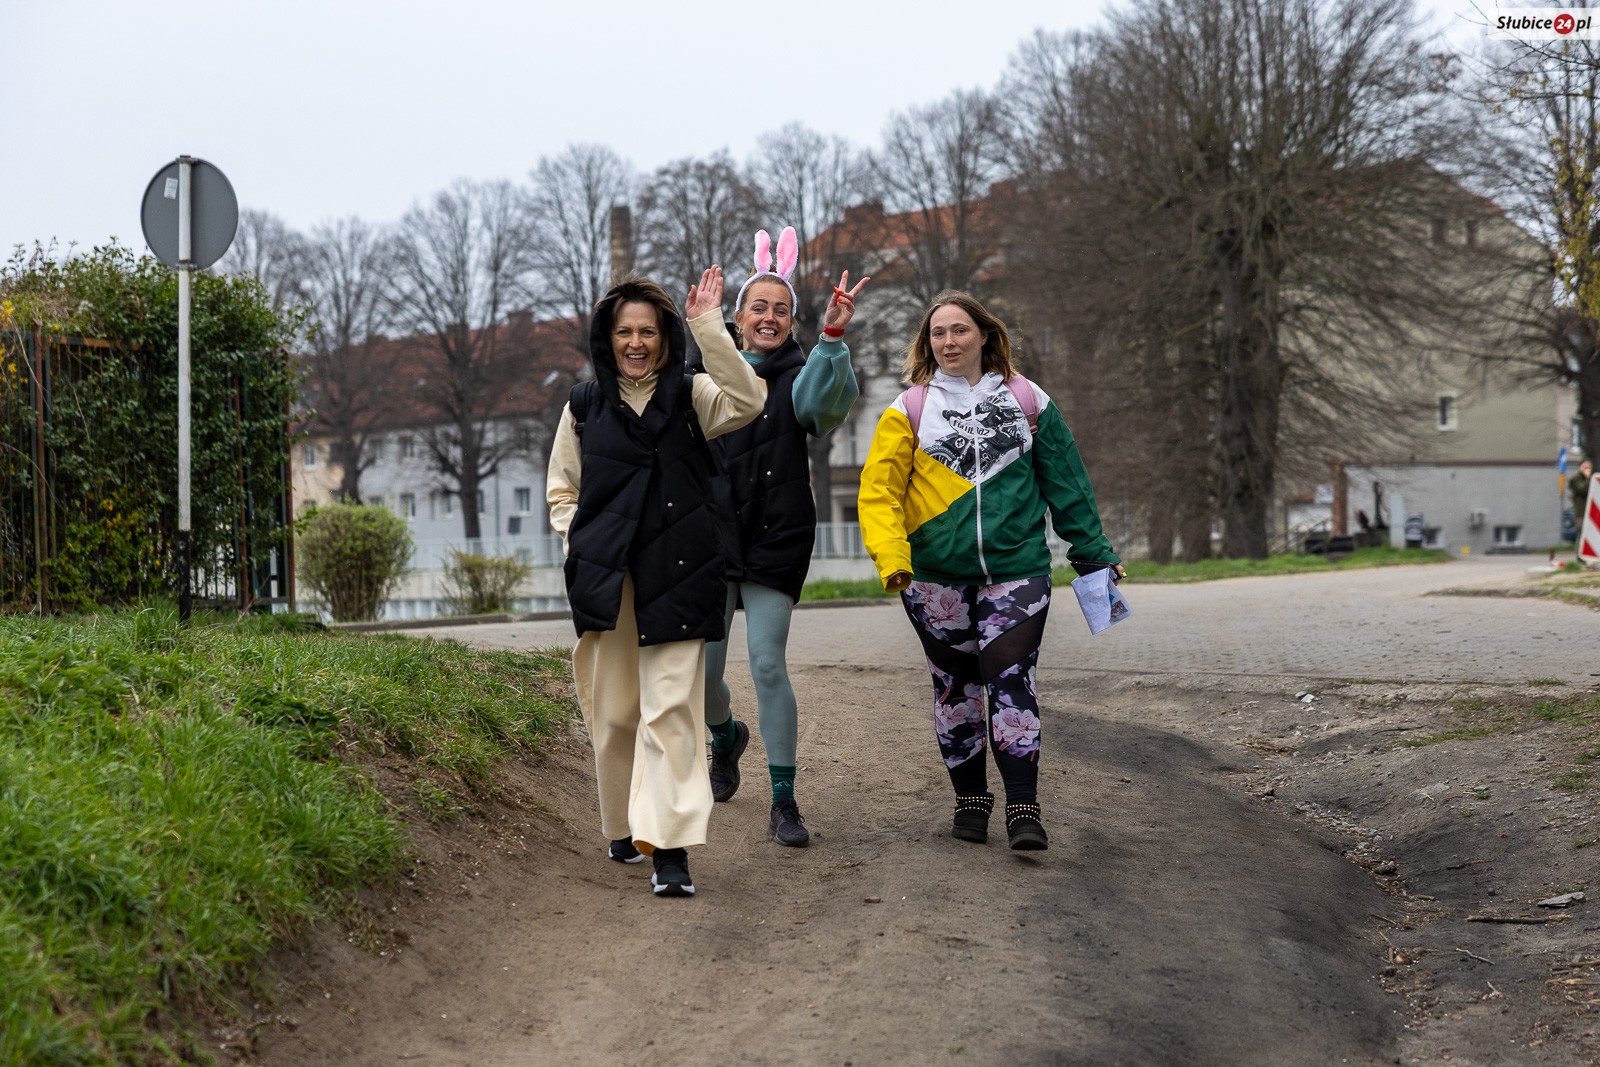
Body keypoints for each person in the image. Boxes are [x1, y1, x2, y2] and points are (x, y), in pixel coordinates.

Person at [857, 290, 1125, 851]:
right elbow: (879, 494)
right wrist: (893, 559)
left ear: (984, 334)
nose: (948, 342)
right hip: (933, 578)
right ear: (927, 343)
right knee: (955, 688)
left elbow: (1067, 483)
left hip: (1018, 570)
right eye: (938, 333)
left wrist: (1093, 552)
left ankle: (1024, 809)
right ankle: (971, 800)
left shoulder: (1028, 400)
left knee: (1011, 681)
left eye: (959, 330)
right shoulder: (908, 409)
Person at [546, 267, 763, 897]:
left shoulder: (693, 395)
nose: (636, 343)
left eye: (647, 331)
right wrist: (580, 541)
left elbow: (749, 400)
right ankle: (623, 825)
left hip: (681, 574)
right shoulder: (583, 406)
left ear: (665, 336)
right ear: (607, 338)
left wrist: (708, 327)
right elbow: (562, 491)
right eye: (624, 332)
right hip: (609, 581)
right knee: (616, 714)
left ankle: (670, 850)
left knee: (669, 714)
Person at [695, 227, 869, 848]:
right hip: (710, 538)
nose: (769, 318)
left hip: (776, 534)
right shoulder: (702, 373)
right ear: (738, 317)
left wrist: (832, 338)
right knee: (702, 674)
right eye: (758, 307)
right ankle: (725, 738)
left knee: (768, 663)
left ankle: (784, 800)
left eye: (781, 310)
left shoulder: (803, 373)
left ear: (792, 321)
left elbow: (821, 411)